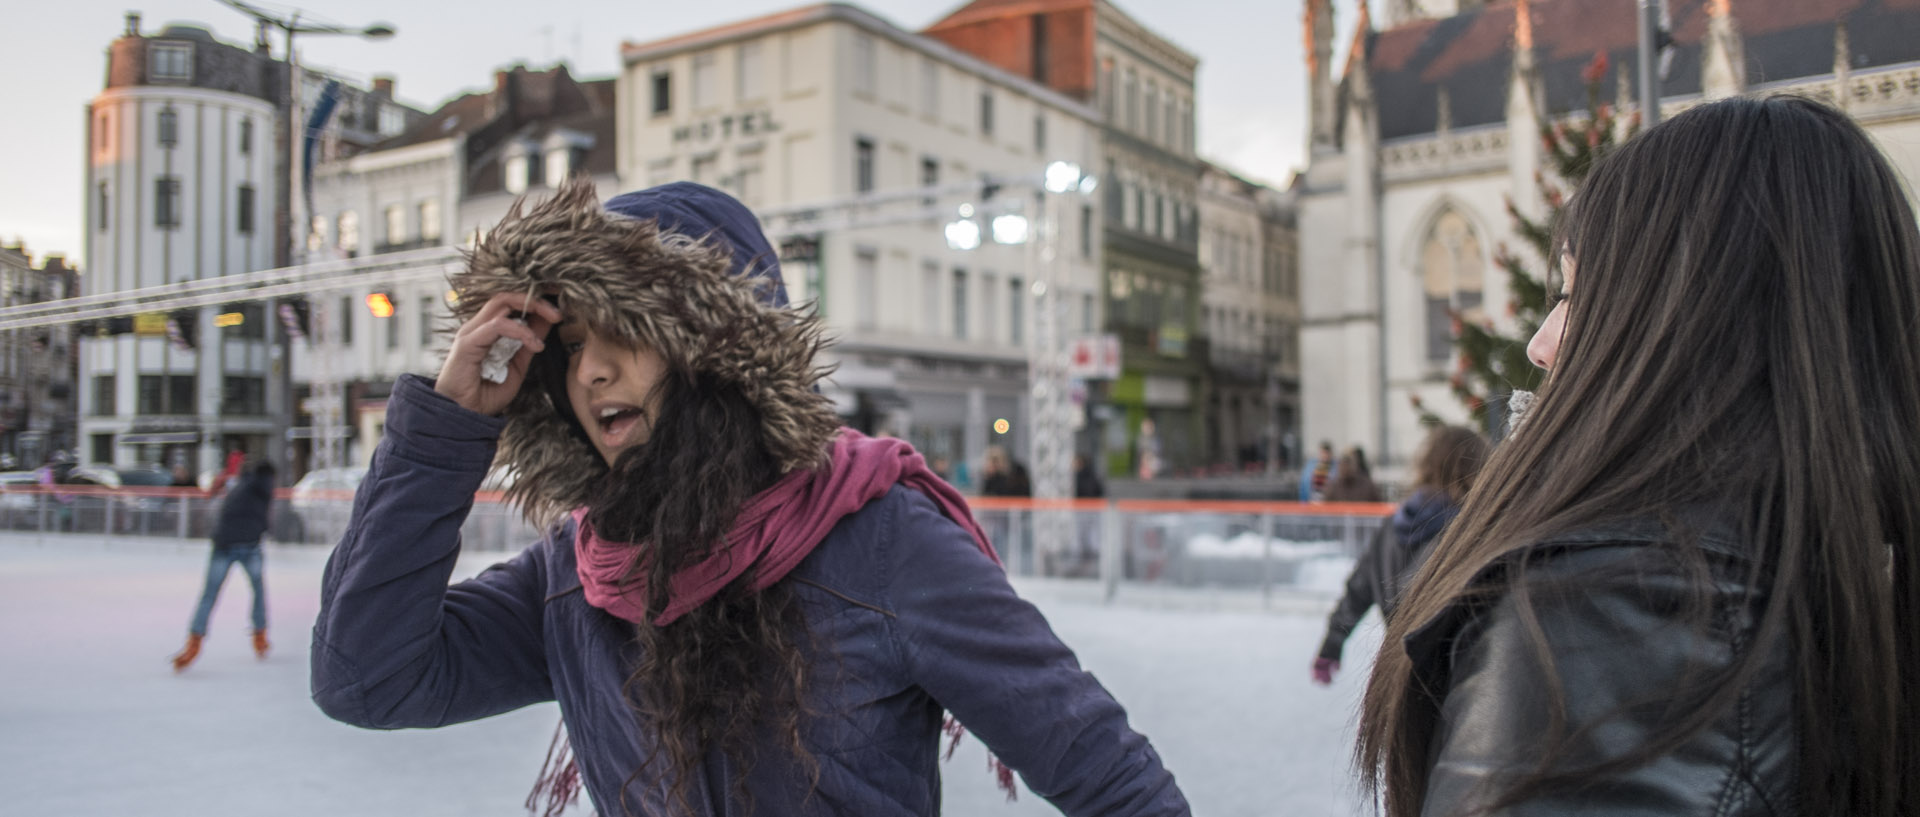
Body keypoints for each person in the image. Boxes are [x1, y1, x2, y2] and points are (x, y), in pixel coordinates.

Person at [310, 179, 1188, 816]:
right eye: (570, 345)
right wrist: (445, 428)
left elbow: (1112, 780)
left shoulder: (880, 541)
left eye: (627, 331)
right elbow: (366, 677)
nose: (592, 369)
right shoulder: (577, 577)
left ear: (717, 349)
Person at [1357, 97, 1920, 816]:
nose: (1542, 342)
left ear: (1684, 317)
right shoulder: (1844, 560)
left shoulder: (1608, 623)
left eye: (1572, 291)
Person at [1312, 426, 1488, 685]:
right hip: (1453, 676)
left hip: (1399, 672)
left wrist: (1331, 646)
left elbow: (1357, 591)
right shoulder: (1470, 531)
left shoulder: (1393, 523)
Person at [170, 459, 276, 672]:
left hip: (223, 544)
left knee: (209, 594)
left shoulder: (240, 485)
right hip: (245, 546)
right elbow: (263, 517)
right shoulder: (262, 487)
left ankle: (194, 641)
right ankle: (260, 634)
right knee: (258, 591)